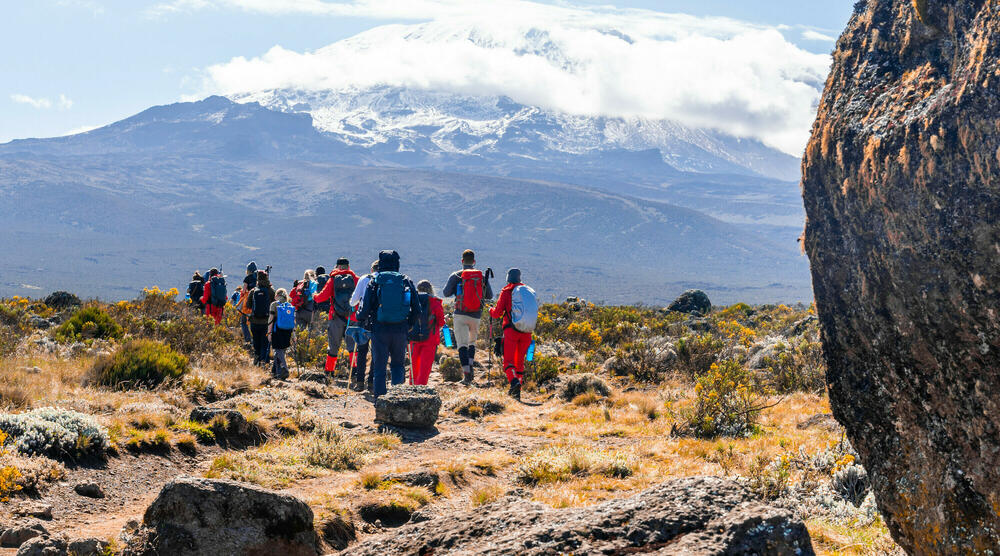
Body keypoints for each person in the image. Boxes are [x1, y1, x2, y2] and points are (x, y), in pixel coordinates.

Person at [357, 250, 422, 400]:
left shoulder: (374, 281)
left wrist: (362, 319)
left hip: (379, 329)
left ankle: (381, 402)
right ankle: (397, 399)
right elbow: (417, 309)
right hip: (400, 329)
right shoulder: (405, 280)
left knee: (379, 367)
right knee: (398, 365)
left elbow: (364, 309)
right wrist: (409, 325)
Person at [443, 249, 493, 384]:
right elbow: (490, 295)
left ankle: (467, 375)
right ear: (474, 262)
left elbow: (446, 292)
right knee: (471, 343)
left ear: (462, 261)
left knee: (462, 345)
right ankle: (470, 368)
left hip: (460, 314)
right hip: (476, 315)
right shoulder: (481, 276)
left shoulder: (456, 276)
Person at [489, 268, 532, 400]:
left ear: (508, 278)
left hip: (511, 331)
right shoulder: (528, 292)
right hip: (526, 331)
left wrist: (490, 310)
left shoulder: (507, 291)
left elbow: (497, 313)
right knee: (520, 361)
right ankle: (517, 387)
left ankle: (513, 382)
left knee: (508, 361)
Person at [314, 258, 359, 376]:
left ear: (337, 266)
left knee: (333, 346)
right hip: (352, 317)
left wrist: (314, 296)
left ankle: (329, 372)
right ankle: (354, 373)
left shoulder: (333, 279)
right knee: (352, 346)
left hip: (335, 317)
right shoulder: (355, 279)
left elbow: (321, 298)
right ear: (348, 266)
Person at [349, 260, 379, 392]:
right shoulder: (386, 280)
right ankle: (372, 381)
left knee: (362, 351)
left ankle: (360, 382)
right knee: (377, 352)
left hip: (363, 319)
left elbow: (353, 301)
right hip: (380, 321)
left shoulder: (364, 279)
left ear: (372, 269)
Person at [409, 280, 444, 386]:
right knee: (425, 367)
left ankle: (411, 388)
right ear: (431, 289)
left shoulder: (412, 300)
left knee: (413, 365)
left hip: (414, 338)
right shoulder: (435, 302)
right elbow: (441, 322)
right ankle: (421, 389)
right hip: (430, 339)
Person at [248, 270, 275, 366]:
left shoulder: (253, 290)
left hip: (254, 321)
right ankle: (264, 362)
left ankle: (257, 359)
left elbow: (248, 305)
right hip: (267, 322)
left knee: (256, 341)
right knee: (265, 342)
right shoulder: (271, 291)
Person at [268, 288, 294, 379]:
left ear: (277, 295)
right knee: (281, 350)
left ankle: (284, 369)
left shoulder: (274, 304)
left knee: (278, 350)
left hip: (277, 330)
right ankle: (275, 372)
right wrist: (293, 335)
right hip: (288, 331)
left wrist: (269, 332)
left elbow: (271, 320)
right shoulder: (289, 305)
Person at [238, 262, 259, 345]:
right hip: (257, 302)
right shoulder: (258, 278)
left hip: (247, 302)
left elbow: (243, 291)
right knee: (254, 322)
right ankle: (255, 339)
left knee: (243, 322)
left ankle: (248, 339)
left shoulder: (247, 278)